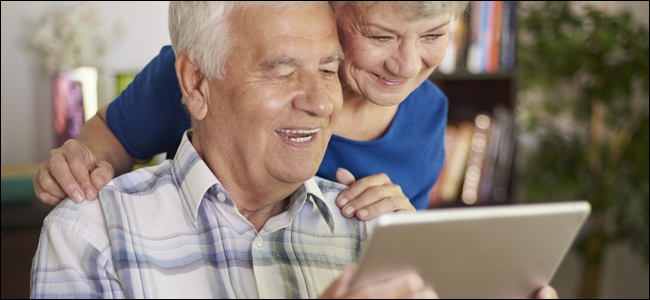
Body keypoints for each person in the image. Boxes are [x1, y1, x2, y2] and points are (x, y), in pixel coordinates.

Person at [30, 2, 437, 298]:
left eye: (329, 70)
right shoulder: (91, 236)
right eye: (281, 71)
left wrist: (420, 252)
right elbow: (108, 135)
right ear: (194, 83)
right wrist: (81, 168)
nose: (323, 103)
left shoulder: (376, 232)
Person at [33, 1, 467, 218]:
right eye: (380, 36)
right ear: (331, 11)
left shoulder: (429, 114)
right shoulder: (212, 73)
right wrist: (82, 168)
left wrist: (403, 233)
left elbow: (400, 254)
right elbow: (113, 135)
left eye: (433, 36)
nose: (407, 66)